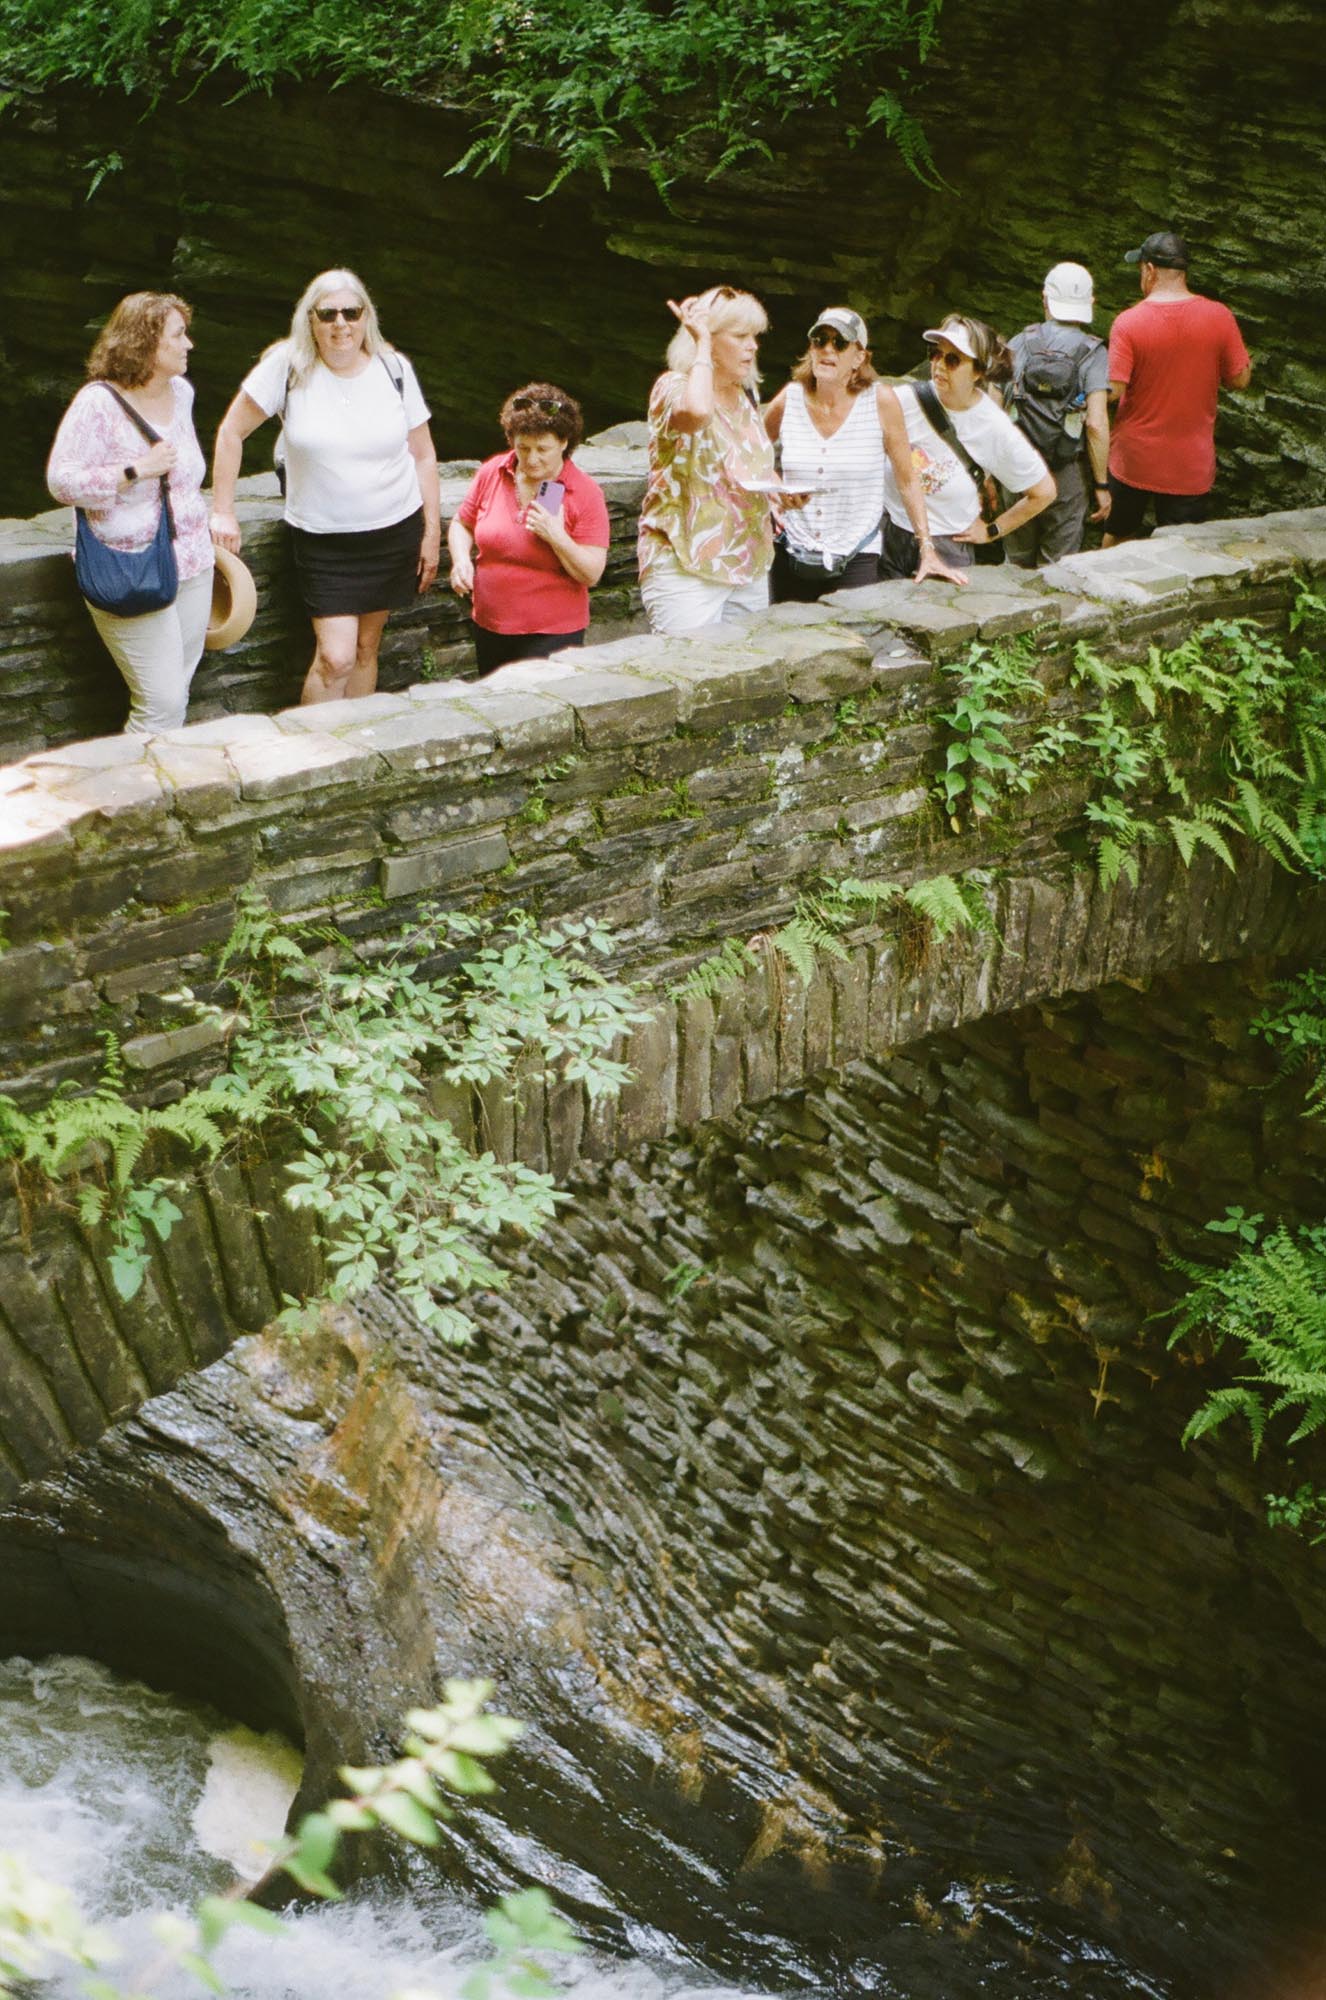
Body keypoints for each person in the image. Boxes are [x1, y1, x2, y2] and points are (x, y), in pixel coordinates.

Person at [210, 268, 440, 704]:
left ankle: (355, 746)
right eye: (328, 314)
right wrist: (223, 509)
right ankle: (314, 749)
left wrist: (431, 533)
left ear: (365, 317)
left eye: (351, 313)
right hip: (323, 540)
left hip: (393, 530)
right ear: (309, 319)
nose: (341, 324)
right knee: (335, 657)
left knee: (366, 648)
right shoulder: (288, 366)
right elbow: (230, 433)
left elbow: (424, 455)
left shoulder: (394, 368)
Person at [46, 292, 213, 737]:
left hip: (194, 562)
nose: (188, 344)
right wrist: (135, 471)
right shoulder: (97, 404)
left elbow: (187, 477)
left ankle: (164, 788)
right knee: (161, 701)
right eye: (178, 335)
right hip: (131, 566)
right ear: (146, 344)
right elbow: (62, 481)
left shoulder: (181, 392)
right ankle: (138, 792)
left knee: (177, 689)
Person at [763, 307, 968, 599]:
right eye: (819, 340)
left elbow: (907, 479)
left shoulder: (880, 401)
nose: (827, 349)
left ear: (859, 357)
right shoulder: (789, 398)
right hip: (791, 554)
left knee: (854, 640)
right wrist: (775, 490)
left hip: (856, 557)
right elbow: (751, 452)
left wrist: (927, 550)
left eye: (840, 343)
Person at [638, 286, 777, 636]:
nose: (753, 346)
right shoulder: (673, 387)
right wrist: (700, 343)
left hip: (747, 564)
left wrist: (777, 490)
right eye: (741, 336)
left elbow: (747, 463)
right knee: (687, 673)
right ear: (707, 339)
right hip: (687, 565)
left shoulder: (744, 395)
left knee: (748, 673)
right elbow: (697, 413)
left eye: (755, 336)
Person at [447, 384, 609, 674]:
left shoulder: (584, 492)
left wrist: (556, 536)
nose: (532, 458)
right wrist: (460, 560)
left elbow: (592, 573)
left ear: (564, 443)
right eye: (523, 448)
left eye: (542, 449)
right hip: (491, 624)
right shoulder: (493, 472)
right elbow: (462, 523)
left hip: (551, 632)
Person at [1103, 231, 1252, 547]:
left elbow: (1113, 390)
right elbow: (1240, 379)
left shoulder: (1128, 322)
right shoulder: (1219, 316)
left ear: (1150, 270)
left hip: (1134, 458)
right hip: (1189, 463)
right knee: (1183, 548)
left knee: (1117, 535)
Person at [878, 314, 1056, 577]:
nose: (939, 366)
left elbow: (1044, 491)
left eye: (953, 360)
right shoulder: (904, 400)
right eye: (935, 354)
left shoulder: (994, 427)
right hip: (890, 532)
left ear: (978, 371)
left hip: (948, 543)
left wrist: (992, 531)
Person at [1003, 262, 1112, 566]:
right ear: (1090, 304)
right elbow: (1096, 423)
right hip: (1065, 471)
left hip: (1018, 468)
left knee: (1015, 560)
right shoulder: (1093, 353)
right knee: (1059, 565)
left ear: (1045, 298)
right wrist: (1102, 486)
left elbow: (994, 405)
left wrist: (987, 472)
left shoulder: (1021, 342)